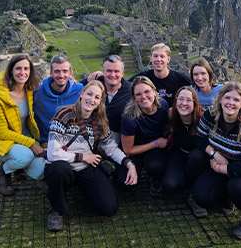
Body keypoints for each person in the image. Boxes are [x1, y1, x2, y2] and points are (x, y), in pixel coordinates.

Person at [44, 81, 138, 231]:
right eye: (89, 94)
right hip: (62, 165)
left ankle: (84, 190)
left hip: (84, 168)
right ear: (81, 94)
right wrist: (83, 157)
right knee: (59, 171)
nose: (91, 99)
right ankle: (57, 209)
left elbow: (111, 148)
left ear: (100, 101)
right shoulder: (64, 115)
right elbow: (53, 153)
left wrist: (129, 164)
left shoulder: (99, 121)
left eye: (96, 97)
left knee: (109, 208)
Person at [190, 82, 241, 240]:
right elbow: (198, 139)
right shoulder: (211, 115)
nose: (230, 103)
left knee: (238, 186)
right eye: (227, 98)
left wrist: (220, 168)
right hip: (223, 163)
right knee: (202, 197)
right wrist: (214, 153)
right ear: (220, 99)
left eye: (236, 100)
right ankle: (227, 199)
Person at [0, 54, 44, 196]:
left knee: (41, 171)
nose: (22, 73)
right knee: (25, 157)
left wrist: (75, 81)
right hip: (3, 141)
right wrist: (31, 144)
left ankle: (19, 168)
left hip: (23, 138)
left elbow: (53, 84)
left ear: (30, 71)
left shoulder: (30, 90)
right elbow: (2, 133)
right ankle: (4, 171)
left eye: (26, 68)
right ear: (11, 70)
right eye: (18, 68)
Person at [117, 76, 169, 197]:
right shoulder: (129, 118)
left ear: (154, 91)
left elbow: (164, 124)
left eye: (147, 92)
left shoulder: (163, 105)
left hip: (153, 148)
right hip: (134, 149)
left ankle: (155, 178)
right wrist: (156, 143)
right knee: (125, 185)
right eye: (138, 94)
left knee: (155, 166)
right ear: (134, 97)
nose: (143, 97)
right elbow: (128, 150)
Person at [162, 86, 206, 216]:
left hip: (199, 157)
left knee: (196, 157)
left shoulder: (203, 117)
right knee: (171, 184)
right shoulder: (172, 114)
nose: (184, 103)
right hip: (179, 151)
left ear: (195, 102)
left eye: (188, 100)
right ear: (176, 101)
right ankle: (185, 180)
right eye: (180, 99)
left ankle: (195, 191)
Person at [80, 54, 132, 145]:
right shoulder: (94, 84)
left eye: (116, 71)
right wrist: (86, 78)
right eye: (109, 71)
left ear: (122, 73)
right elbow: (72, 88)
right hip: (89, 132)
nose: (112, 75)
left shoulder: (131, 90)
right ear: (103, 71)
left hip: (115, 137)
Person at [34, 54, 83, 147]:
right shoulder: (38, 93)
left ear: (70, 73)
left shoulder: (79, 90)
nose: (61, 75)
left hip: (74, 142)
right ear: (51, 73)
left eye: (65, 71)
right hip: (49, 143)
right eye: (57, 71)